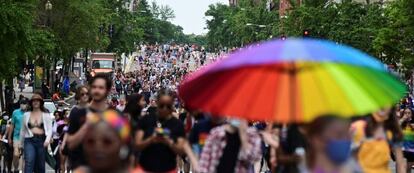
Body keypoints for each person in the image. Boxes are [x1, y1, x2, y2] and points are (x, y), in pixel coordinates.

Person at [134, 89, 187, 172]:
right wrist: (151, 139)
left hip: (168, 169)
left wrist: (168, 141)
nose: (165, 109)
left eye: (168, 106)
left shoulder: (177, 124)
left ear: (172, 105)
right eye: (162, 105)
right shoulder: (146, 120)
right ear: (157, 103)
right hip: (145, 169)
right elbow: (137, 145)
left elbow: (181, 151)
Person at [66, 74, 111, 170]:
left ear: (107, 91)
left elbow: (125, 140)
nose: (97, 90)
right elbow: (70, 143)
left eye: (101, 87)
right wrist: (86, 125)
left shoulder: (113, 115)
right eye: (94, 87)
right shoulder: (77, 112)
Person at [351, 108, 406, 173]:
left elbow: (400, 163)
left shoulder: (392, 132)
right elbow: (348, 158)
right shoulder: (358, 127)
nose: (382, 107)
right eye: (379, 103)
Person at [20, 93, 53, 173]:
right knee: (29, 161)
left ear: (41, 103)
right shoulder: (26, 115)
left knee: (40, 165)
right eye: (34, 101)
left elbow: (49, 130)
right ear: (31, 103)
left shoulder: (46, 115)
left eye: (37, 101)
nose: (35, 102)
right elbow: (23, 130)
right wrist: (20, 144)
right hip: (29, 141)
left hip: (41, 141)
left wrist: (47, 141)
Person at [8, 98, 28, 173]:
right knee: (16, 154)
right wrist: (9, 137)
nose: (23, 105)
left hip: (27, 138)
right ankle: (16, 169)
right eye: (22, 103)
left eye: (24, 103)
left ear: (27, 104)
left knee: (25, 157)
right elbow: (12, 125)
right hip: (16, 137)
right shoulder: (15, 112)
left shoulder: (29, 113)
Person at [399, 108, 414, 172]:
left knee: (408, 170)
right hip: (402, 150)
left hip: (411, 150)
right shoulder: (401, 123)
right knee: (402, 170)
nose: (407, 114)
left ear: (412, 114)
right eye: (405, 113)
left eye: (409, 113)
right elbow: (395, 129)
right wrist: (402, 119)